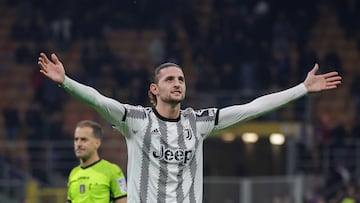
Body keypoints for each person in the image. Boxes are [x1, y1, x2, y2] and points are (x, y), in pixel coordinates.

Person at [38, 52, 342, 203]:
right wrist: (66, 81)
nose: (178, 83)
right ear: (154, 89)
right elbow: (98, 100)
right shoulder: (136, 120)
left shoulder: (198, 123)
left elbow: (253, 108)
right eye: (170, 79)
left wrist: (302, 88)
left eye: (181, 79)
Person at [66, 120, 127, 203]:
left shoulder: (113, 171)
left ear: (97, 143)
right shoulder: (73, 173)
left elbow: (123, 200)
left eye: (84, 139)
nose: (78, 144)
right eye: (76, 139)